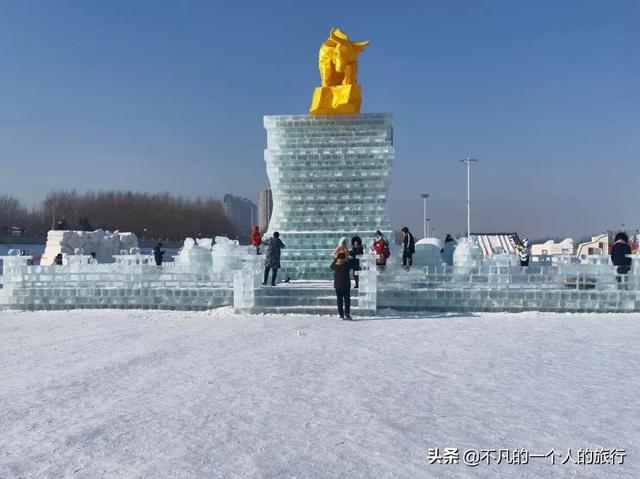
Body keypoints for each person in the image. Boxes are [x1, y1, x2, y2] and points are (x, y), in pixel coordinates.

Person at [331, 252, 352, 320]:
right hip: (346, 285)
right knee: (347, 300)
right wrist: (347, 259)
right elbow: (351, 264)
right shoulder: (346, 265)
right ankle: (347, 314)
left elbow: (331, 266)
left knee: (339, 300)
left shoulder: (335, 265)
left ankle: (341, 315)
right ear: (344, 258)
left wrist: (335, 259)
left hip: (337, 285)